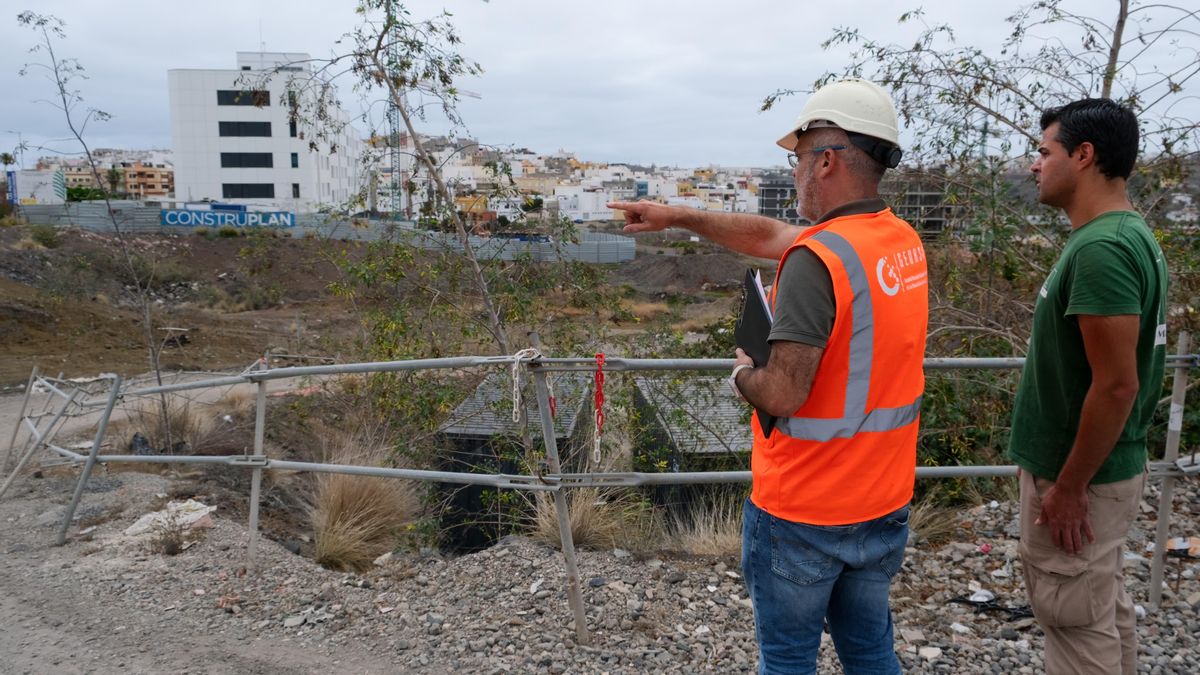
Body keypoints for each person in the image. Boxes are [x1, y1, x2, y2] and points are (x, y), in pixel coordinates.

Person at [610, 79, 928, 675]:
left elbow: (782, 391)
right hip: (882, 501)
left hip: (805, 509)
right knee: (871, 651)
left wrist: (740, 374)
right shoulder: (897, 240)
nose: (797, 171)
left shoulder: (819, 258)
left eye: (799, 158)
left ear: (826, 159)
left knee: (786, 661)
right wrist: (678, 216)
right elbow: (766, 236)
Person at [1009, 98, 1167, 675]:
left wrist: (1070, 486)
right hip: (1096, 471)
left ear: (1083, 155)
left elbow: (1118, 386)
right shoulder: (1122, 234)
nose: (1034, 165)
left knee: (1073, 621)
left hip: (1079, 477)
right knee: (1099, 610)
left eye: (1044, 152)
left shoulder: (1102, 248)